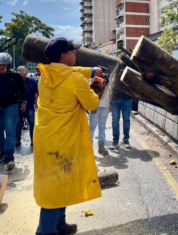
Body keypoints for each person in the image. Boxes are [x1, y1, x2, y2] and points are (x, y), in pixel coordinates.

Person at [34, 37, 104, 235]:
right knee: (55, 189)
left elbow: (69, 72)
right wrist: (96, 88)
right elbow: (92, 104)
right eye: (73, 52)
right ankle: (44, 232)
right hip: (64, 142)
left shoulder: (45, 75)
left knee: (57, 184)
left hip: (46, 138)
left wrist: (91, 71)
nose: (76, 54)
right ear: (64, 56)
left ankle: (60, 225)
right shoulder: (75, 80)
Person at [0, 52, 26, 171]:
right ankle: (1, 153)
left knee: (10, 131)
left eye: (4, 65)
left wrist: (23, 102)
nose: (1, 67)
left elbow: (22, 89)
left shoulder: (15, 76)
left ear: (8, 65)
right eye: (0, 65)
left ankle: (9, 158)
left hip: (10, 106)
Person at [16, 66, 38, 147]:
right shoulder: (15, 81)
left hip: (30, 105)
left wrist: (36, 102)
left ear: (26, 72)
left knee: (31, 122)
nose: (21, 72)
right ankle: (17, 140)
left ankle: (33, 139)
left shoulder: (32, 81)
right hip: (17, 105)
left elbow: (36, 93)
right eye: (19, 71)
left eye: (23, 71)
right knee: (18, 122)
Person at [109, 85, 132, 150]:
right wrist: (110, 102)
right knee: (115, 120)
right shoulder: (114, 74)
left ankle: (126, 140)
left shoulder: (129, 74)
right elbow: (111, 86)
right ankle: (115, 141)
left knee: (126, 120)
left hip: (127, 100)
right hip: (115, 100)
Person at [89, 84, 110, 156]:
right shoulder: (95, 77)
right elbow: (90, 91)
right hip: (96, 106)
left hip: (105, 106)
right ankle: (89, 148)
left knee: (102, 127)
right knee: (92, 127)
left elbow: (110, 90)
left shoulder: (109, 77)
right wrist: (92, 106)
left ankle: (101, 146)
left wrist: (110, 104)